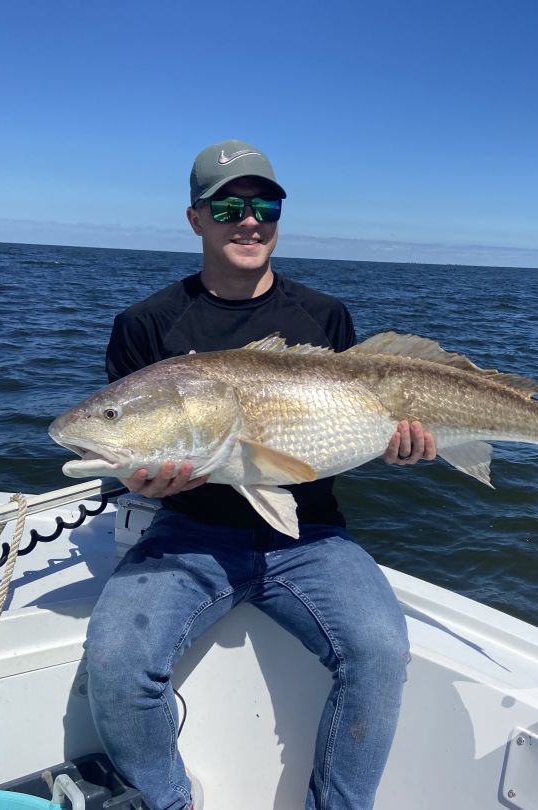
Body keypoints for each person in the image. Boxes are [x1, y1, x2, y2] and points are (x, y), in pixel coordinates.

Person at [85, 139, 436, 810]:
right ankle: (167, 802)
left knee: (380, 654)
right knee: (116, 664)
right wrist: (137, 482)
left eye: (264, 204)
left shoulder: (324, 316)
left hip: (311, 534)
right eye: (228, 206)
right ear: (196, 219)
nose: (249, 221)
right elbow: (124, 440)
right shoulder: (146, 324)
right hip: (189, 528)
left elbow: (351, 430)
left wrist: (403, 447)